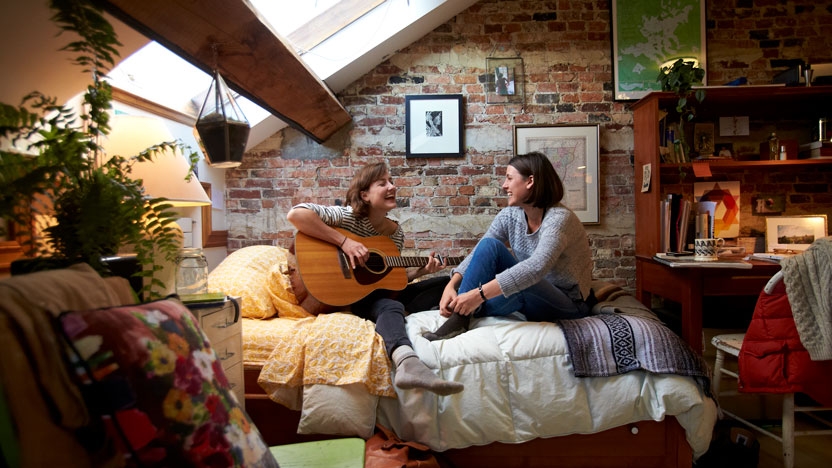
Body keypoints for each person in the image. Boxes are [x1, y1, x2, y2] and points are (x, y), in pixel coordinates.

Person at [287, 162, 463, 395]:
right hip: (352, 295)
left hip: (378, 291)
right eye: (383, 183)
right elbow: (296, 214)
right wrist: (344, 242)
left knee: (446, 282)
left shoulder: (394, 233)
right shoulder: (345, 217)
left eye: (391, 181)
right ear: (365, 195)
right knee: (391, 306)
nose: (392, 187)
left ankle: (458, 321)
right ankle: (407, 363)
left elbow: (391, 279)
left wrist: (421, 272)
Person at [424, 151, 594, 340]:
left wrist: (478, 294)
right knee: (490, 245)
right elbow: (479, 252)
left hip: (566, 304)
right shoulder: (510, 215)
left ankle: (460, 316)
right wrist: (452, 285)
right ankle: (461, 313)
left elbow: (535, 269)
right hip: (529, 294)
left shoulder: (560, 219)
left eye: (509, 178)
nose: (504, 186)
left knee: (518, 281)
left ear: (530, 181)